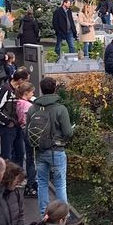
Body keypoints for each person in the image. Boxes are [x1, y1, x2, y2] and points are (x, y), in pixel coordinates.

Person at [31, 77, 75, 215]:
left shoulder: (33, 108)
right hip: (56, 150)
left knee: (42, 183)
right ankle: (63, 214)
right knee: (60, 184)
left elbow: (27, 129)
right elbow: (68, 132)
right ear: (55, 88)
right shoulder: (60, 109)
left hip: (39, 151)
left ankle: (44, 213)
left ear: (41, 89)